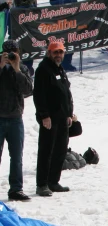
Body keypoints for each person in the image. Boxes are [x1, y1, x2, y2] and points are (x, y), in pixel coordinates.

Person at [33, 41, 73, 197]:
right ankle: (42, 184)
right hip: (49, 117)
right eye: (55, 52)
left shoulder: (60, 68)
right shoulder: (43, 69)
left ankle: (53, 181)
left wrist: (70, 113)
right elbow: (39, 95)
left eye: (60, 52)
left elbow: (66, 93)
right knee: (46, 151)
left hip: (63, 117)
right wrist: (44, 115)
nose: (58, 55)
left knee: (60, 151)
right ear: (49, 53)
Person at [0, 39, 33, 201]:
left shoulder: (23, 68)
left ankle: (16, 189)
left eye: (15, 51)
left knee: (17, 156)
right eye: (8, 52)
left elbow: (28, 90)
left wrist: (17, 69)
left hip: (15, 119)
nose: (12, 55)